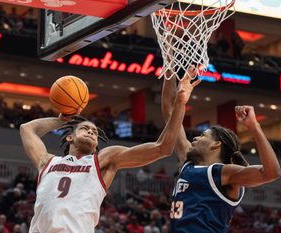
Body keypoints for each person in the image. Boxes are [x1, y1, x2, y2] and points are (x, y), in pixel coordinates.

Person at [19, 72, 201, 233]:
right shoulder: (47, 162)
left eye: (95, 132)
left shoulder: (102, 161)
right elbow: (26, 129)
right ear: (70, 138)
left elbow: (163, 147)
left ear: (97, 143)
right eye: (84, 128)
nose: (91, 131)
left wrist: (180, 104)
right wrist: (62, 120)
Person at [161, 74, 281, 233]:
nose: (196, 137)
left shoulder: (225, 173)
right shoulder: (188, 164)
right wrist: (169, 67)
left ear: (216, 144)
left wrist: (254, 126)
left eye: (203, 135)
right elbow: (170, 111)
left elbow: (271, 173)